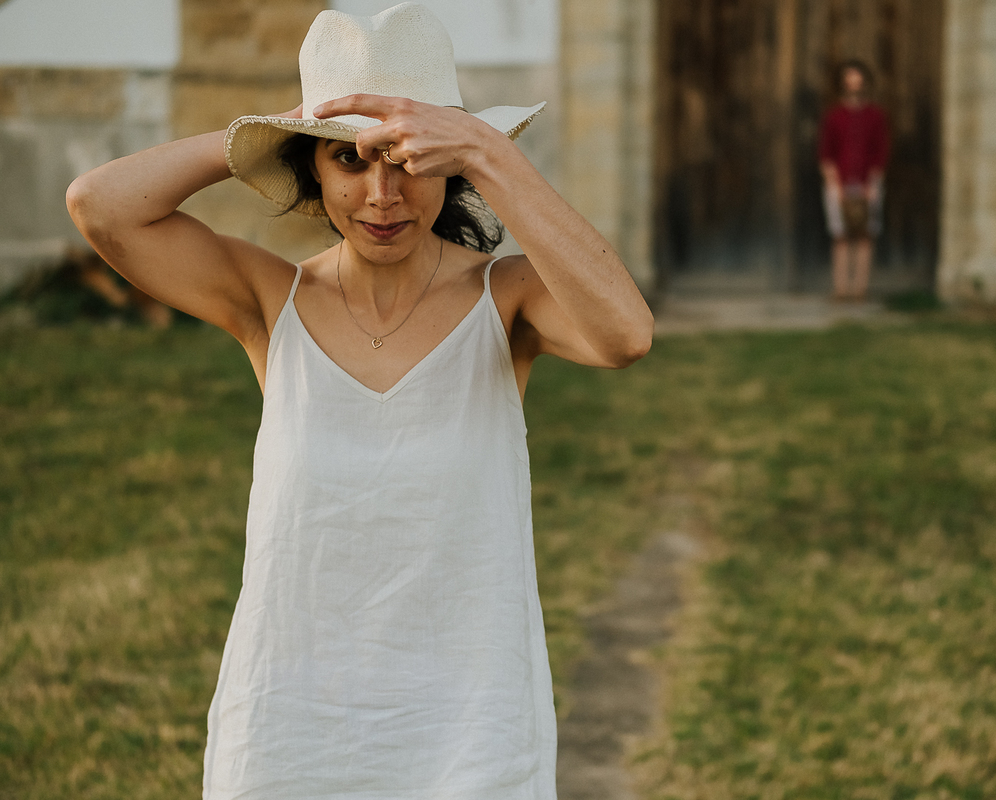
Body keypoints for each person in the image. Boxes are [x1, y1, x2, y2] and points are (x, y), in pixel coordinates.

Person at [66, 4, 653, 798]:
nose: (383, 195)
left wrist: (485, 148)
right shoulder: (269, 298)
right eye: (349, 161)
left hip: (469, 737)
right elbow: (99, 205)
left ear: (450, 162)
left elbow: (625, 335)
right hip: (288, 732)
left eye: (408, 158)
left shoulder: (506, 299)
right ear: (313, 169)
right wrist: (266, 134)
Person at [818, 59, 890, 302]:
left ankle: (860, 289)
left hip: (867, 183)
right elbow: (826, 153)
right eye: (849, 80)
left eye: (858, 80)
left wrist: (872, 184)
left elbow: (880, 152)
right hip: (839, 183)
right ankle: (841, 289)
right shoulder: (834, 117)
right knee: (840, 237)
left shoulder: (875, 116)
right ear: (842, 84)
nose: (853, 85)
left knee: (864, 237)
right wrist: (834, 184)